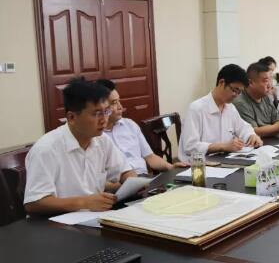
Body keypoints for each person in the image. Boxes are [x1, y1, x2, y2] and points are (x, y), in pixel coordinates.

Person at [24, 78, 136, 215]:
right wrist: (84, 202)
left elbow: (124, 171)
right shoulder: (46, 149)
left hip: (95, 216)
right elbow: (34, 203)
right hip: (56, 221)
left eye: (106, 111)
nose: (104, 119)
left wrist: (134, 183)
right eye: (96, 113)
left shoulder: (102, 140)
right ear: (72, 117)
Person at [96, 79, 189, 174]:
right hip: (119, 181)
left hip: (143, 177)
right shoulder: (97, 136)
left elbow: (150, 157)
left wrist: (171, 167)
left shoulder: (130, 125)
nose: (120, 107)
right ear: (102, 106)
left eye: (119, 101)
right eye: (114, 103)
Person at [178, 64, 263, 159]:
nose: (236, 95)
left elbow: (243, 128)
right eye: (234, 90)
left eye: (239, 92)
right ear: (221, 83)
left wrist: (252, 136)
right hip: (198, 164)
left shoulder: (230, 108)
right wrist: (223, 146)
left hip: (223, 160)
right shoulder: (196, 109)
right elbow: (190, 146)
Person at [233, 62, 279, 137]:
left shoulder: (265, 96)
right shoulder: (240, 102)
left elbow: (277, 121)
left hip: (271, 139)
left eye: (270, 79)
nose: (270, 85)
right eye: (265, 81)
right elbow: (253, 132)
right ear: (250, 82)